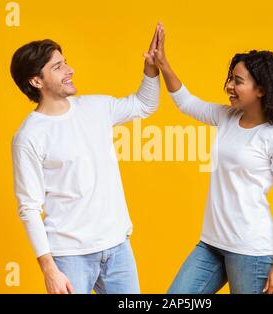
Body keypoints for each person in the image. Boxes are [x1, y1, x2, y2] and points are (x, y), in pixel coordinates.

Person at [10, 24, 161, 294]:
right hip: (69, 256)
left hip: (118, 248)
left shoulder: (95, 107)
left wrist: (151, 69)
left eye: (65, 62)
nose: (70, 70)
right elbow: (29, 207)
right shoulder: (29, 136)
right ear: (36, 81)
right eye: (58, 67)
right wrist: (49, 270)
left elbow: (144, 104)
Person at [152, 23, 273, 294]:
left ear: (261, 89)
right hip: (211, 244)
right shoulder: (227, 117)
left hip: (251, 252)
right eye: (230, 78)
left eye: (238, 81)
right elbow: (186, 102)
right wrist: (163, 64)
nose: (229, 86)